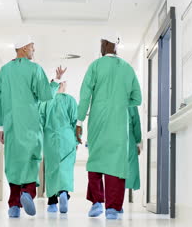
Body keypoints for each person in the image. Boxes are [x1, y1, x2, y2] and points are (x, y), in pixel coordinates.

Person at [76, 34, 142, 220]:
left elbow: (85, 97)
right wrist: (120, 100)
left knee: (96, 160)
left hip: (97, 121)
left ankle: (97, 202)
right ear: (116, 47)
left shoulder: (95, 67)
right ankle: (113, 208)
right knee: (116, 164)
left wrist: (79, 122)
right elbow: (137, 98)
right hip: (119, 123)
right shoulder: (127, 69)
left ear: (103, 45)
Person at [0, 35, 58, 218]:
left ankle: (13, 206)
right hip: (30, 123)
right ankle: (27, 193)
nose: (34, 50)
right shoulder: (35, 69)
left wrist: (0, 125)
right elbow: (45, 95)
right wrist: (54, 83)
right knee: (31, 159)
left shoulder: (4, 71)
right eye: (32, 47)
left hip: (11, 123)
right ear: (24, 48)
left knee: (14, 161)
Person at [39, 79, 80, 214]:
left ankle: (51, 202)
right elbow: (75, 121)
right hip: (67, 137)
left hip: (50, 139)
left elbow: (40, 121)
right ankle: (63, 192)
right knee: (66, 167)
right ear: (64, 86)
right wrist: (76, 140)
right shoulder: (71, 101)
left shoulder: (45, 102)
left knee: (51, 168)